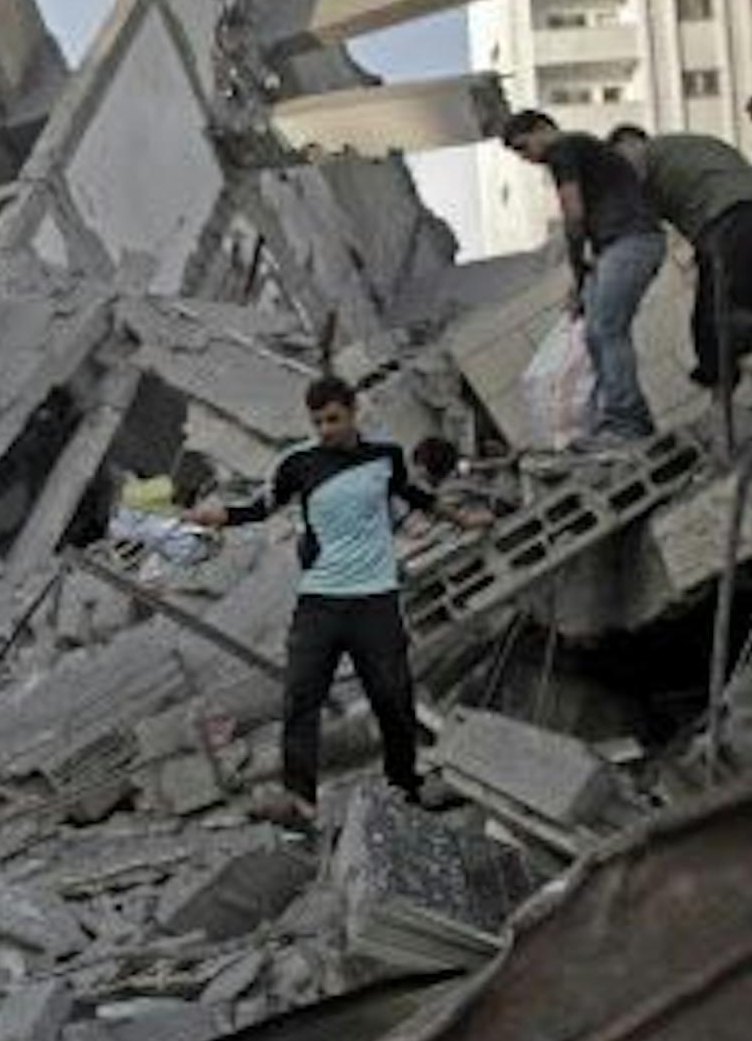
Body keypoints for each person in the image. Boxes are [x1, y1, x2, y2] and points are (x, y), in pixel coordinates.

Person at [185, 377, 491, 830]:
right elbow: (260, 508)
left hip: (375, 597)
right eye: (317, 422)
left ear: (353, 412)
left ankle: (406, 787)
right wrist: (218, 517)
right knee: (302, 697)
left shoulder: (384, 457)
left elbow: (415, 497)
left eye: (333, 418)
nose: (326, 429)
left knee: (393, 696)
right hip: (321, 599)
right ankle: (300, 800)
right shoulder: (298, 463)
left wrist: (463, 519)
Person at [501, 109, 666, 447]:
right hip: (624, 245)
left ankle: (627, 423)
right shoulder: (585, 149)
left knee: (607, 329)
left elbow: (573, 216)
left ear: (543, 129)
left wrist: (578, 271)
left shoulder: (563, 149)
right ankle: (630, 422)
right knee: (595, 334)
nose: (526, 159)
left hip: (630, 241)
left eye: (523, 147)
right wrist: (582, 282)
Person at [607, 125, 752, 389]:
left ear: (628, 142)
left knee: (714, 327)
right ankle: (722, 381)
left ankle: (721, 395)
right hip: (735, 220)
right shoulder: (697, 142)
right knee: (721, 316)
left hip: (727, 224)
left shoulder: (639, 153)